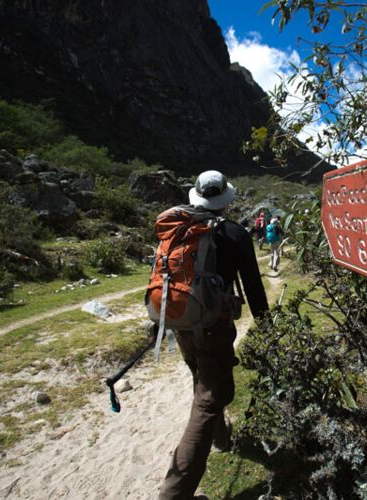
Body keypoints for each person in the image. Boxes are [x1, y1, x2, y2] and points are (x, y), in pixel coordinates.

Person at [158, 170, 269, 500]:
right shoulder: (235, 234)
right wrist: (266, 326)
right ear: (225, 200)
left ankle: (221, 439)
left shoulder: (180, 230)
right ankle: (174, 495)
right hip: (214, 327)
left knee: (202, 381)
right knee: (208, 400)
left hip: (181, 322)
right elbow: (252, 286)